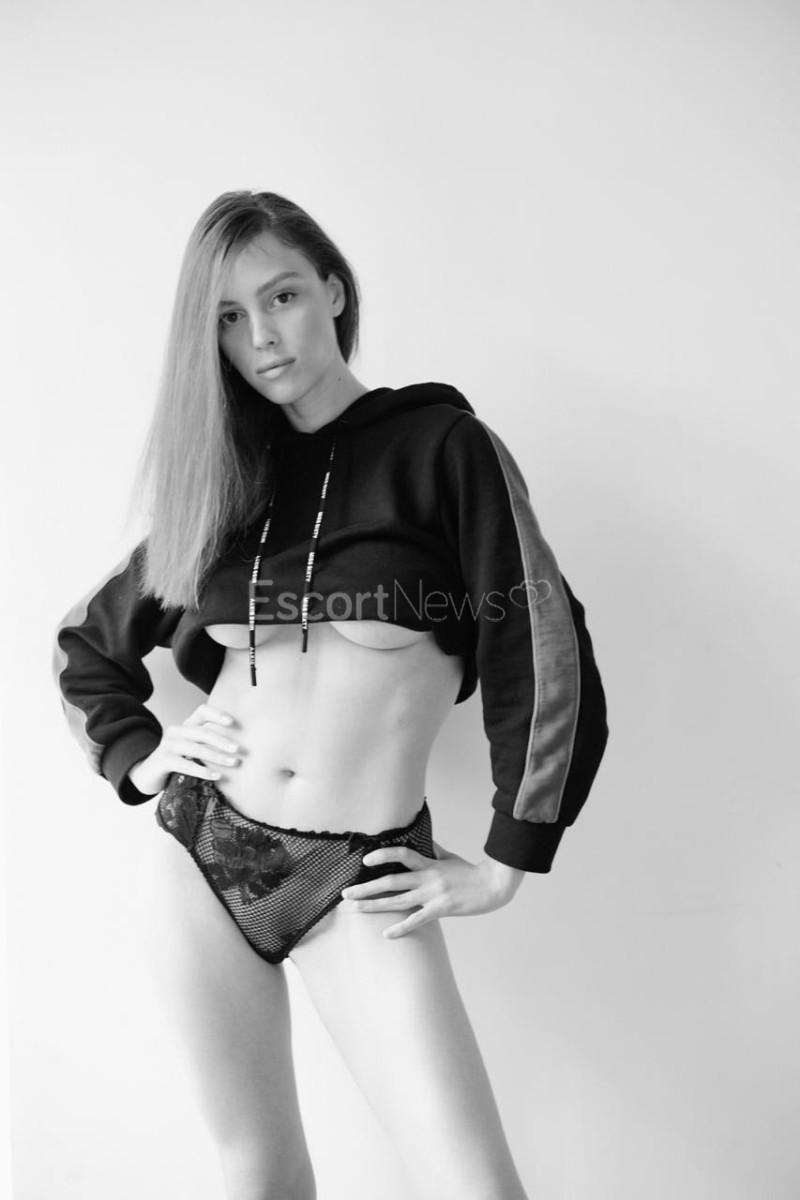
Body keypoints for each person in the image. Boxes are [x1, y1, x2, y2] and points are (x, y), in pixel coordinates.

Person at [52, 190, 609, 1200]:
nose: (262, 337)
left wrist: (508, 862)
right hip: (198, 849)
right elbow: (85, 647)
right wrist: (142, 757)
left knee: (475, 1187)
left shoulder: (443, 447)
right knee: (258, 1175)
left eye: (283, 296)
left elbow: (542, 648)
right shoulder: (225, 483)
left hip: (361, 877)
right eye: (228, 317)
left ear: (334, 291)